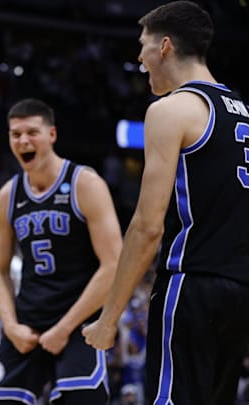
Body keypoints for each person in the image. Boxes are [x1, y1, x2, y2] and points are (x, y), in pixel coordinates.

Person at [82, 2, 249, 405]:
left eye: (143, 46)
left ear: (166, 46)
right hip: (241, 292)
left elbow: (147, 226)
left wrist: (108, 319)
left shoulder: (172, 109)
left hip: (191, 284)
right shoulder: (243, 113)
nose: (139, 58)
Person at [0, 98, 123, 403]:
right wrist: (10, 326)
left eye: (32, 132)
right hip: (27, 322)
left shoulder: (85, 183)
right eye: (15, 134)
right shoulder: (8, 195)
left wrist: (64, 327)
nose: (23, 140)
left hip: (79, 323)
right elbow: (0, 272)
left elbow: (114, 264)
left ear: (52, 135)